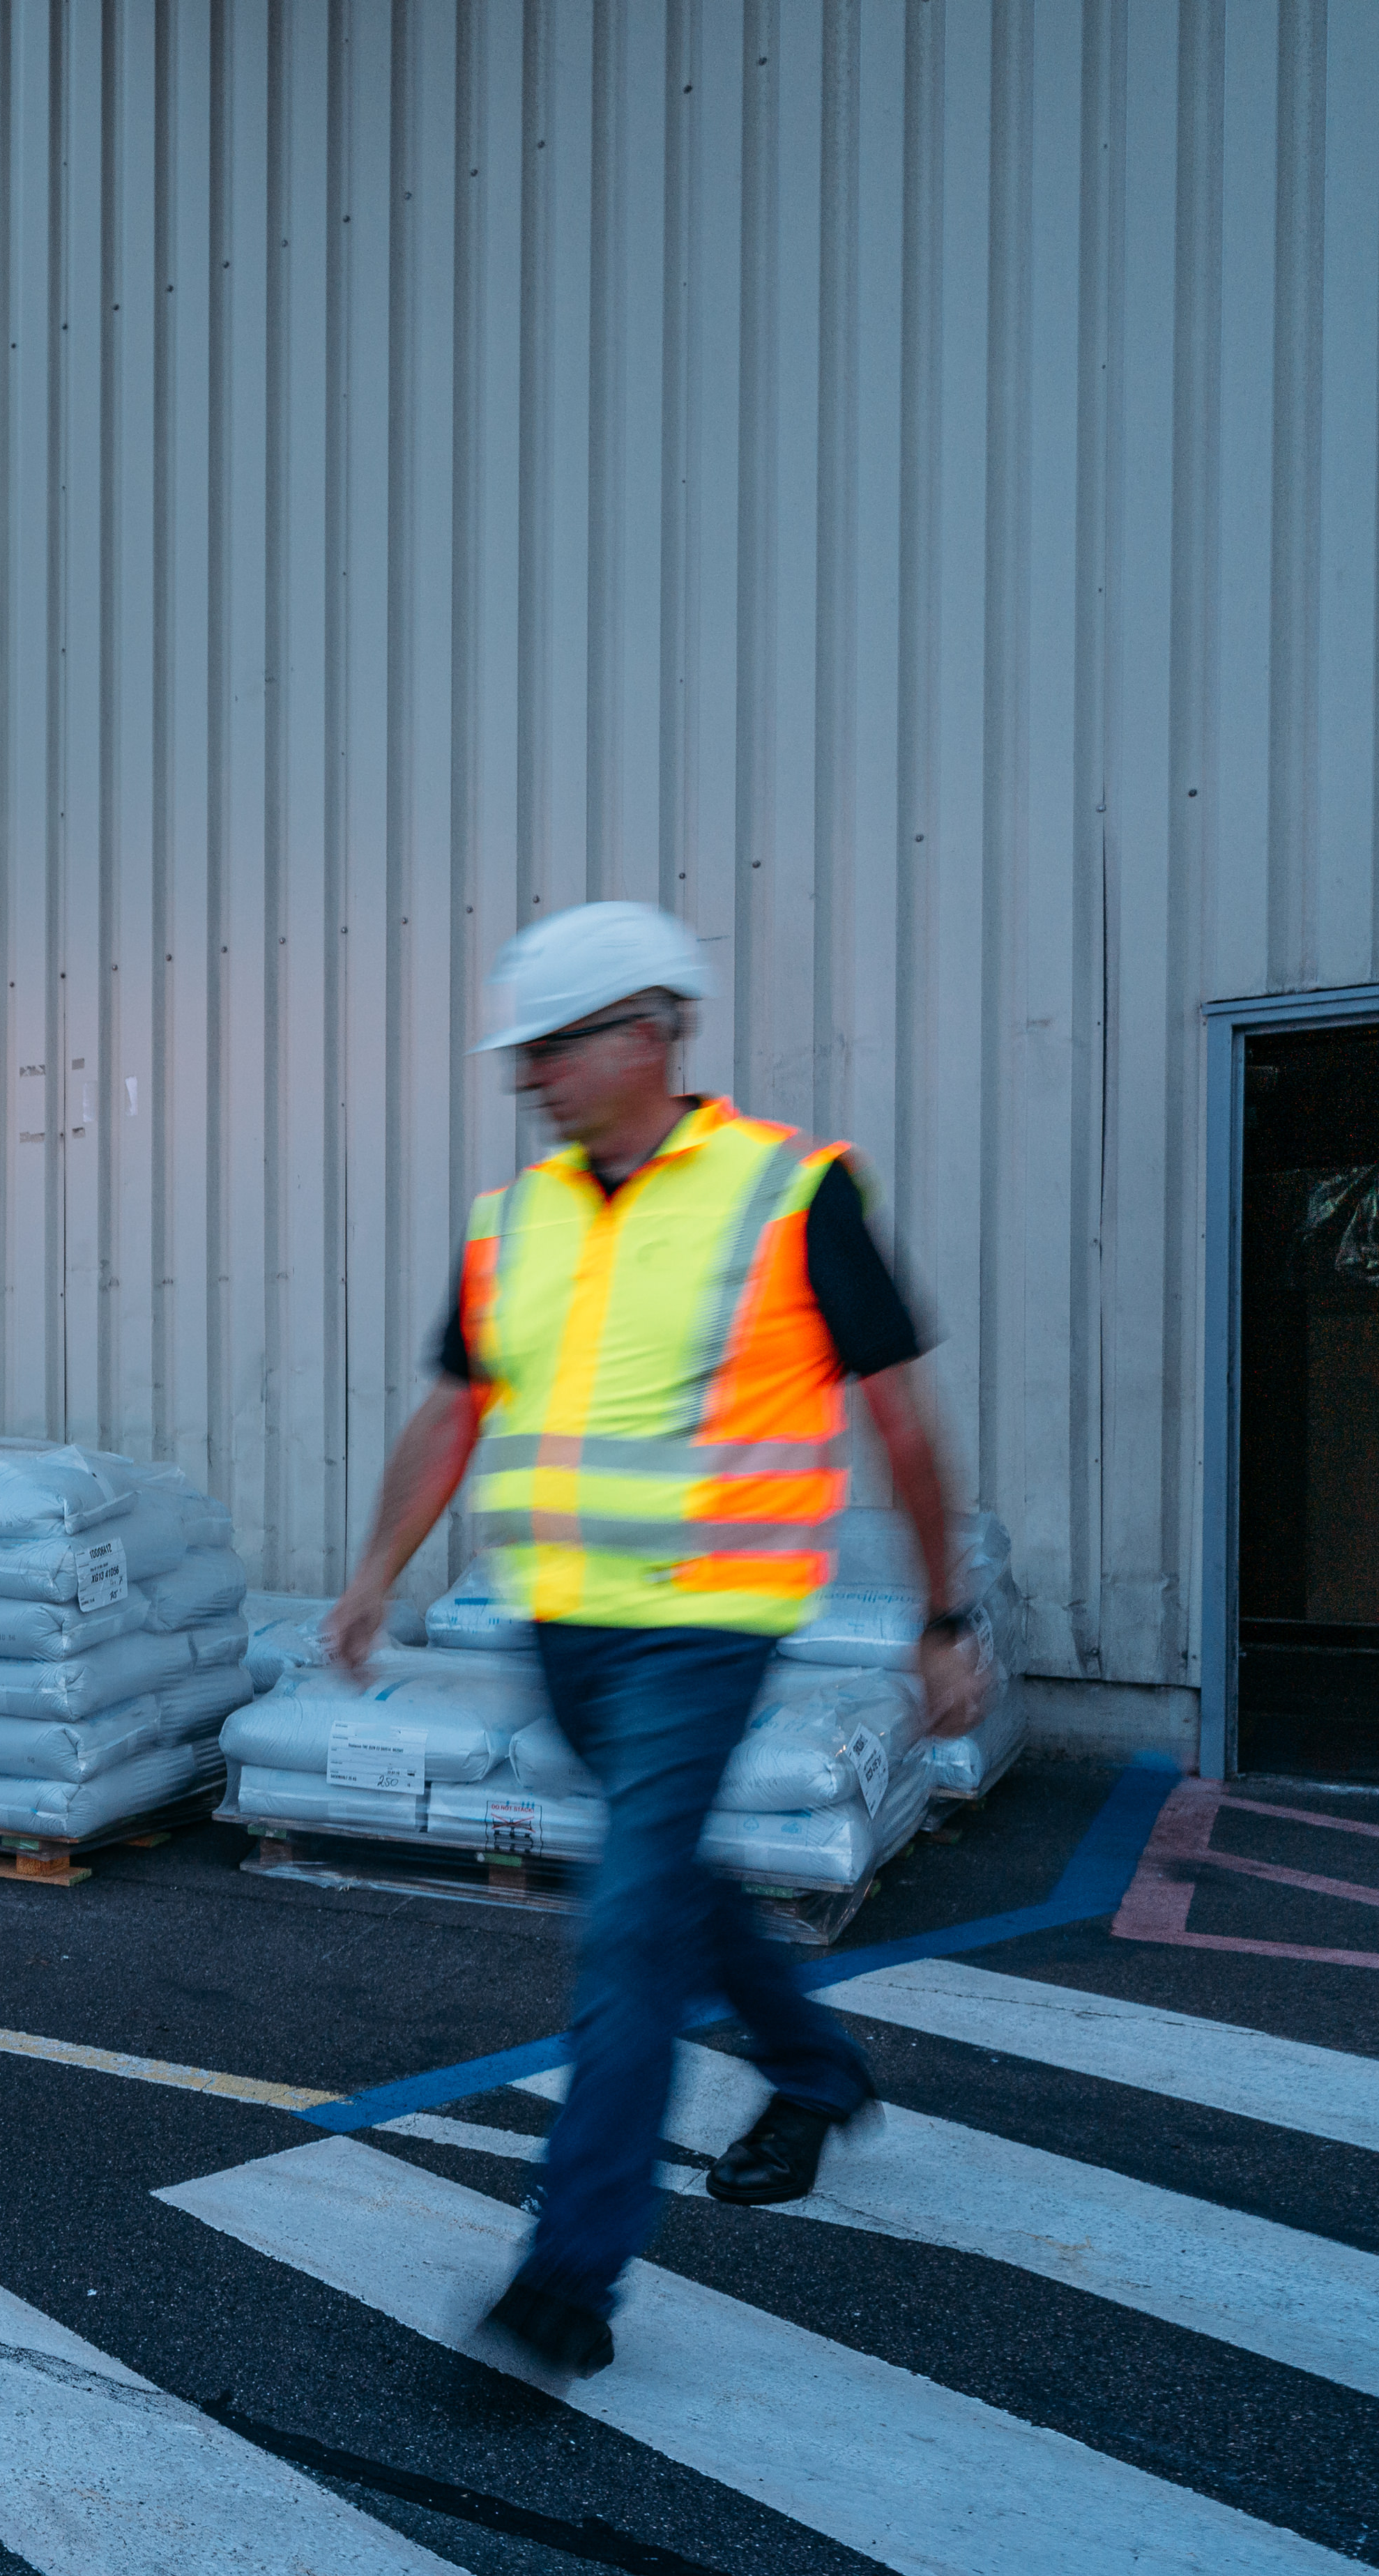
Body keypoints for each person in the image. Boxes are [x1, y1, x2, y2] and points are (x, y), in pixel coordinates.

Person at [325, 900, 989, 2377]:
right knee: (669, 1876)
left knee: (625, 1931)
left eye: (554, 1048)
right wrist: (376, 1570)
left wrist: (943, 1617)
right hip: (568, 1628)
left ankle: (568, 2280)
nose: (529, 1079)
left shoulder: (791, 1192)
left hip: (711, 1629)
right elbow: (458, 1406)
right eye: (525, 1053)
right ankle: (815, 2072)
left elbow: (899, 1412)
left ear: (650, 1033)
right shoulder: (514, 1223)